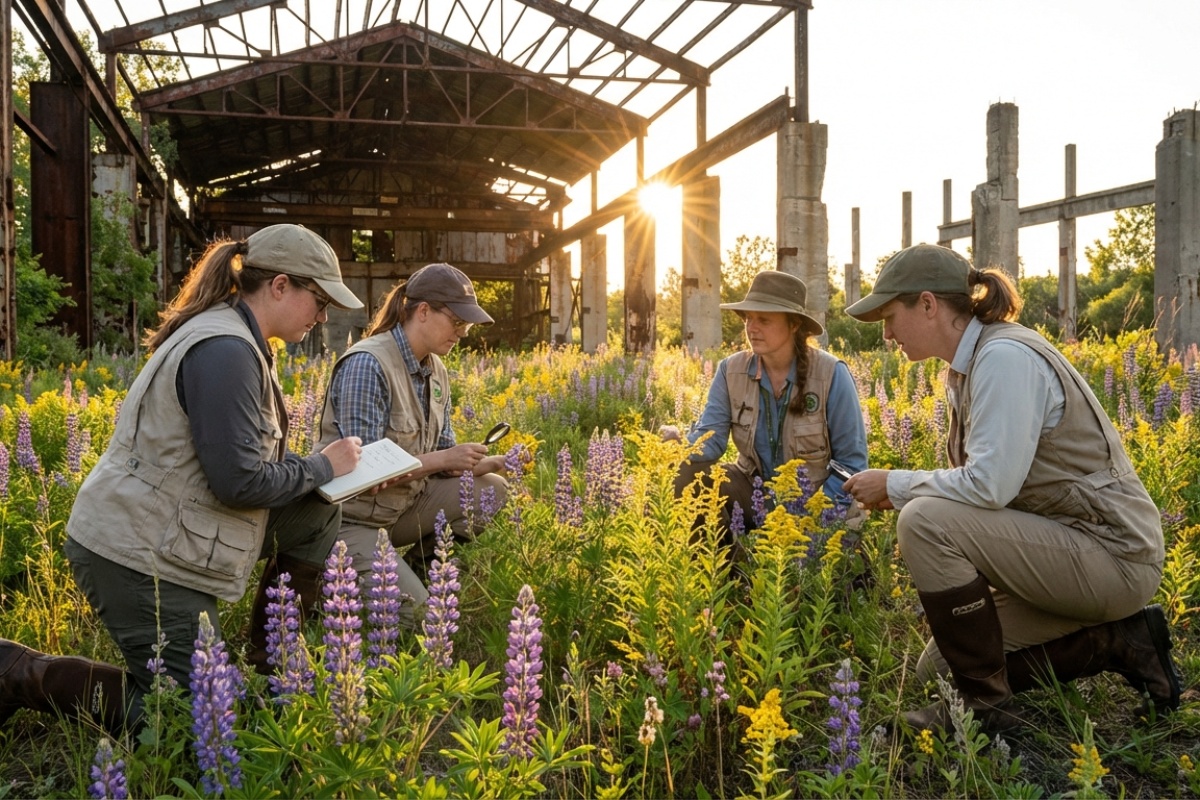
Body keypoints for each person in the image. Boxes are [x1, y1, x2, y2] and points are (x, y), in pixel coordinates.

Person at [0, 223, 365, 734]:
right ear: (280, 286)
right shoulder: (225, 349)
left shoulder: (242, 338)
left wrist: (319, 478)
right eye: (320, 300)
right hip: (135, 553)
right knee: (194, 719)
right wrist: (324, 464)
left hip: (173, 528)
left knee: (317, 511)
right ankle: (16, 673)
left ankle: (269, 671)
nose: (324, 315)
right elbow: (238, 484)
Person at [842, 243, 1182, 732]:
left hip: (1113, 554)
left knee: (922, 518)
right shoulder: (968, 365)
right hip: (1072, 549)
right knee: (938, 668)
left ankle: (985, 711)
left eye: (889, 316)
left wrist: (895, 485)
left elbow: (989, 487)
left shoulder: (1003, 358)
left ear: (928, 304)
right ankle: (1123, 641)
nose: (887, 332)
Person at [317, 262, 509, 613]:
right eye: (457, 322)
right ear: (423, 311)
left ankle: (420, 575)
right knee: (419, 618)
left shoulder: (436, 371)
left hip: (402, 508)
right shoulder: (368, 364)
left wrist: (480, 463)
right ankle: (362, 584)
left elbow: (441, 455)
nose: (463, 333)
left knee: (491, 489)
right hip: (353, 520)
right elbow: (363, 475)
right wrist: (444, 460)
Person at [662, 270, 868, 543]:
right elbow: (710, 439)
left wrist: (814, 517)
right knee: (687, 472)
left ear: (794, 324)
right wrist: (680, 447)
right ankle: (723, 574)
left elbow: (851, 464)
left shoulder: (831, 374)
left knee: (819, 575)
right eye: (748, 318)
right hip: (754, 492)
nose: (751, 327)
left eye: (764, 319)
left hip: (815, 500)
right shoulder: (730, 370)